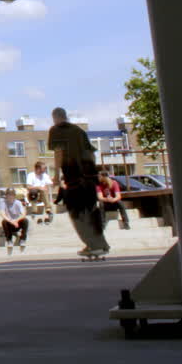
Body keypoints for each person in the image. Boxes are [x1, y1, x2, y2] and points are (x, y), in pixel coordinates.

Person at [48, 107, 108, 256]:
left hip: (74, 177)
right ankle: (102, 244)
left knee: (76, 212)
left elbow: (58, 153)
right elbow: (92, 153)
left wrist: (56, 175)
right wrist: (94, 175)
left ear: (55, 117)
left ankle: (92, 244)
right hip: (89, 177)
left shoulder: (56, 130)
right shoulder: (79, 131)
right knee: (91, 210)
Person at [0, 188, 29, 254]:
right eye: (9, 195)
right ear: (6, 196)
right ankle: (9, 240)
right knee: (4, 222)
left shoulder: (18, 203)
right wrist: (11, 221)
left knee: (25, 220)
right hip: (10, 223)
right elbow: (3, 214)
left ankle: (23, 239)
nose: (10, 197)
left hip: (17, 223)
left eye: (11, 195)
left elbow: (23, 214)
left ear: (14, 196)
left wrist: (16, 221)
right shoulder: (3, 203)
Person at [27, 161, 56, 225]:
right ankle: (34, 211)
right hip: (33, 195)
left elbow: (51, 184)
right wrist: (38, 187)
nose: (44, 170)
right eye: (43, 168)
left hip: (43, 194)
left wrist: (53, 181)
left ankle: (48, 210)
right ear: (38, 169)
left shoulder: (44, 175)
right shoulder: (31, 175)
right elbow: (28, 187)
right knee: (34, 191)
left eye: (45, 168)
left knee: (44, 190)